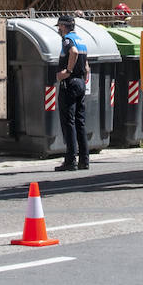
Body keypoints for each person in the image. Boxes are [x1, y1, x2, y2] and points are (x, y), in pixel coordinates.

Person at [54, 14, 89, 171]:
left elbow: (73, 52)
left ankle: (70, 160)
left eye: (60, 27)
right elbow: (86, 65)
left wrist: (67, 71)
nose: (59, 30)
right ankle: (84, 160)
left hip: (70, 83)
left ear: (63, 26)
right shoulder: (81, 39)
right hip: (81, 82)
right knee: (80, 122)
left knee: (68, 122)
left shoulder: (68, 39)